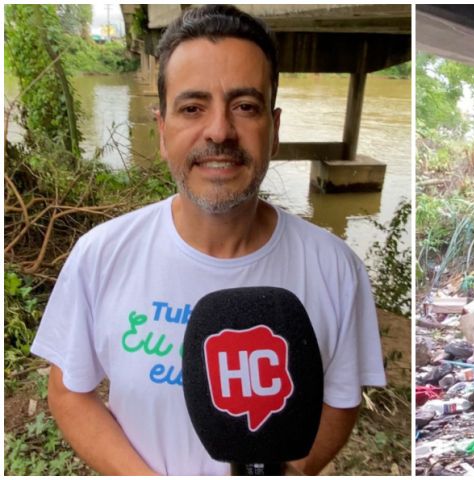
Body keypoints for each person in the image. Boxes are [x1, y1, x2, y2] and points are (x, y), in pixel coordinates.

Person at [31, 5, 386, 476]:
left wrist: (291, 472)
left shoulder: (335, 268)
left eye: (245, 106)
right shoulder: (102, 255)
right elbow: (69, 391)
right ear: (161, 130)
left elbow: (341, 399)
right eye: (193, 108)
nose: (219, 131)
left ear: (274, 130)